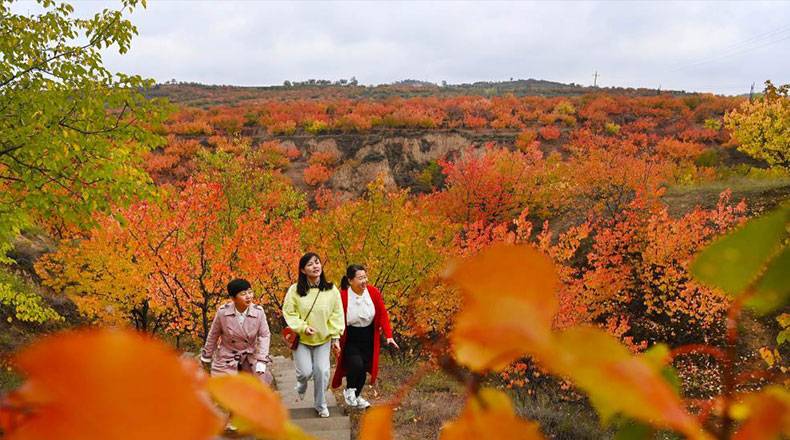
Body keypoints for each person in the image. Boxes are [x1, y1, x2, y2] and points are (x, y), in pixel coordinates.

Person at [282, 252, 344, 418]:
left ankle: (320, 404)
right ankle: (301, 385)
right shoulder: (294, 290)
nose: (315, 266)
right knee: (305, 372)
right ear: (303, 270)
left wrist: (335, 338)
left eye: (317, 262)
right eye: (310, 264)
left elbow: (337, 314)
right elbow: (289, 312)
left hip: (323, 339)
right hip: (302, 340)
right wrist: (302, 327)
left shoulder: (332, 290)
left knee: (322, 372)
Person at [331, 264, 398, 409]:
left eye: (365, 277)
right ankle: (349, 390)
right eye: (360, 278)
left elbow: (382, 314)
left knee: (363, 370)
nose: (364, 281)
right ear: (350, 280)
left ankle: (357, 396)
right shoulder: (342, 295)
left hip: (368, 337)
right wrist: (334, 338)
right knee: (356, 364)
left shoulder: (373, 292)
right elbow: (335, 317)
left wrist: (389, 335)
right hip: (350, 337)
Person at [200, 278, 272, 383]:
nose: (248, 296)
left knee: (258, 387)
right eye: (243, 294)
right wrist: (207, 355)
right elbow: (213, 335)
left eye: (250, 292)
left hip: (250, 355)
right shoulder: (223, 313)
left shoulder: (258, 312)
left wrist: (262, 359)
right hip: (227, 355)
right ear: (233, 298)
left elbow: (264, 335)